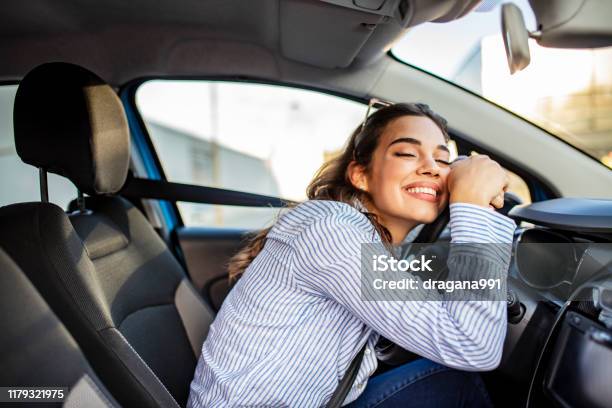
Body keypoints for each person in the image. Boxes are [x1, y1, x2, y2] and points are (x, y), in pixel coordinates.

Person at [187, 103, 515, 407]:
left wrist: (465, 177)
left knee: (447, 379)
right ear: (360, 175)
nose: (431, 168)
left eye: (441, 159)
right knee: (457, 383)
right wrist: (471, 204)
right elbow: (475, 347)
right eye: (406, 153)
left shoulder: (375, 238)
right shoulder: (332, 230)